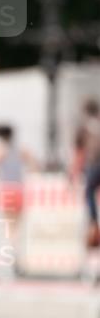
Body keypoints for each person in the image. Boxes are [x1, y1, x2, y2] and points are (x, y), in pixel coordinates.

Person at [71, 99, 100, 248]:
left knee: (89, 193)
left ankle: (93, 222)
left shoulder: (84, 128)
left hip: (94, 165)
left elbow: (78, 152)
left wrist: (73, 173)